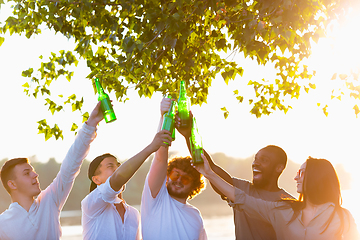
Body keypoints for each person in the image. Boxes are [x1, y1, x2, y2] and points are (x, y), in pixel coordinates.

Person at [175, 112, 294, 240]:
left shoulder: (288, 203)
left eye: (264, 160)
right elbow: (212, 168)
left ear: (279, 168)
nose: (256, 163)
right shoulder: (241, 189)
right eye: (256, 159)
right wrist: (189, 136)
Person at [0, 101, 104, 240]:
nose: (35, 175)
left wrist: (91, 124)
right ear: (12, 184)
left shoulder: (49, 201)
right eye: (26, 173)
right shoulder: (3, 224)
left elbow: (71, 165)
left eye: (33, 171)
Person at [195, 155, 360, 240]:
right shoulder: (283, 210)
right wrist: (209, 174)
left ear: (317, 177)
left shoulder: (343, 217)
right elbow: (242, 198)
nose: (296, 178)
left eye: (301, 173)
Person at [81, 129, 172, 240]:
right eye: (110, 166)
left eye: (119, 165)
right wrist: (151, 147)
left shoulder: (133, 214)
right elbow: (118, 177)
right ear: (96, 180)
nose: (118, 168)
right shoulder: (91, 203)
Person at [140, 97, 207, 240]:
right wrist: (164, 116)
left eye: (186, 178)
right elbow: (160, 158)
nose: (179, 180)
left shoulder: (195, 216)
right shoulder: (155, 198)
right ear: (167, 175)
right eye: (175, 175)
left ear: (194, 186)